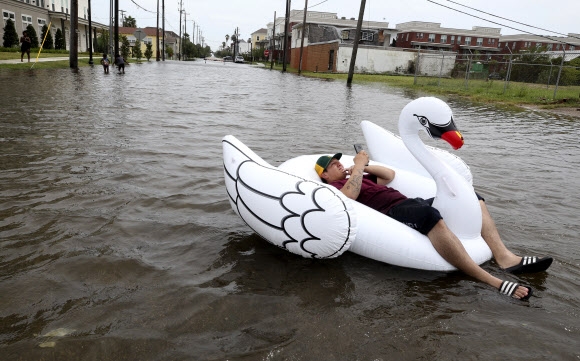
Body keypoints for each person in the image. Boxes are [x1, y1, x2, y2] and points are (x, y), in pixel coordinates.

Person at [315, 151, 553, 301]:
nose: (338, 165)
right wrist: (356, 167)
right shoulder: (335, 188)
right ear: (324, 176)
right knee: (429, 215)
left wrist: (363, 165)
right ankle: (492, 281)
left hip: (408, 202)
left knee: (471, 197)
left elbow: (388, 174)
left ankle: (504, 257)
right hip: (393, 211)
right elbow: (349, 195)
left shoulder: (358, 176)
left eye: (338, 161)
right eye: (332, 165)